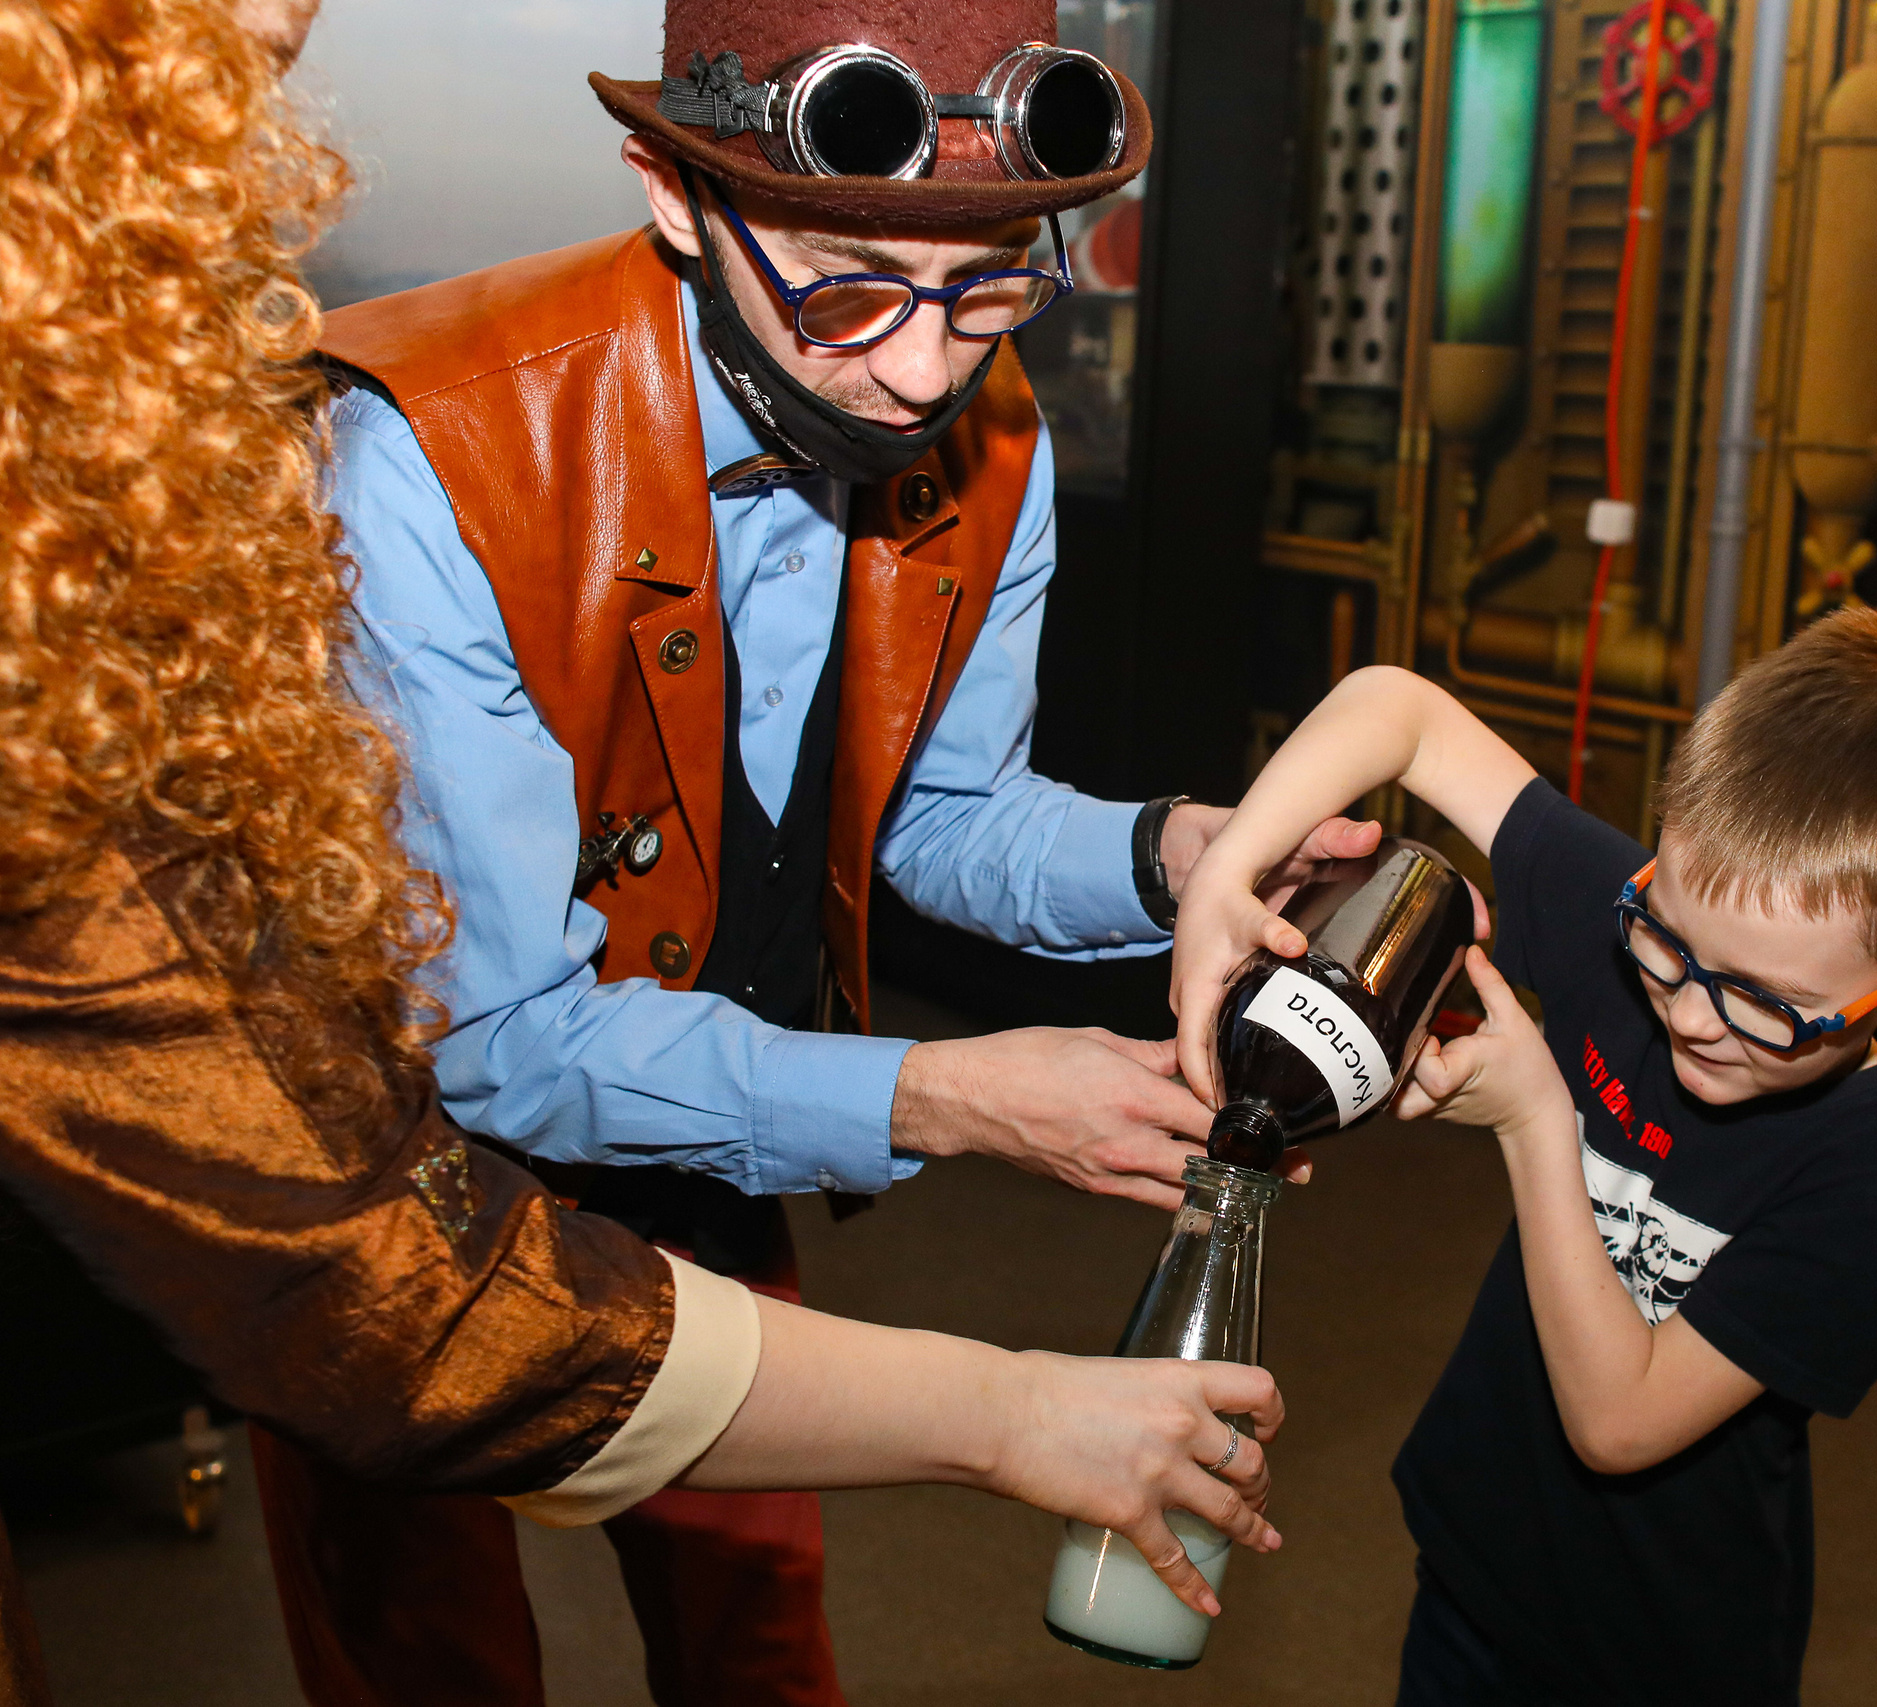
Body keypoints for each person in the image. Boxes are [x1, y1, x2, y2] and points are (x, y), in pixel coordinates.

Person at [0, 3, 1279, 1703]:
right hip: (388, 1176)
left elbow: (947, 820)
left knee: (760, 1639)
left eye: (990, 286)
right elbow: (509, 1041)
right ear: (675, 196)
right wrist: (956, 1094)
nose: (922, 368)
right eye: (847, 285)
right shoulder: (425, 453)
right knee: (428, 1659)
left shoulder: (989, 426)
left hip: (698, 1126)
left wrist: (1183, 852)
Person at [1171, 610, 1877, 1704]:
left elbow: (1619, 1425)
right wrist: (1228, 876)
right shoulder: (1669, 930)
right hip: (1475, 1568)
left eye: (1772, 1007)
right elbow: (1394, 707)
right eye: (1666, 946)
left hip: (1655, 1657)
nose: (1691, 1016)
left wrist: (1535, 1116)